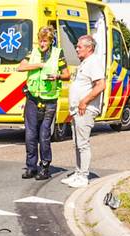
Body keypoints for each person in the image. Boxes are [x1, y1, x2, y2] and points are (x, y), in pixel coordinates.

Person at [16, 26, 69, 180]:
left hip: (49, 99)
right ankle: (31, 167)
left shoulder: (58, 53)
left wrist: (57, 76)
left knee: (44, 134)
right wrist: (38, 65)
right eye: (40, 40)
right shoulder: (33, 52)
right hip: (32, 98)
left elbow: (66, 75)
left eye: (45, 41)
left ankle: (44, 167)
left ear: (50, 41)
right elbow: (21, 67)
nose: (42, 43)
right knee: (30, 134)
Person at [63, 34, 104, 189]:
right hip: (78, 109)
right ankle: (78, 173)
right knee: (77, 143)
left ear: (89, 48)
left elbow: (100, 85)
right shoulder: (85, 63)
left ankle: (83, 176)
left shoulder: (93, 62)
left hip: (85, 109)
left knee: (83, 144)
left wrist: (84, 102)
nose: (76, 49)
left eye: (79, 47)